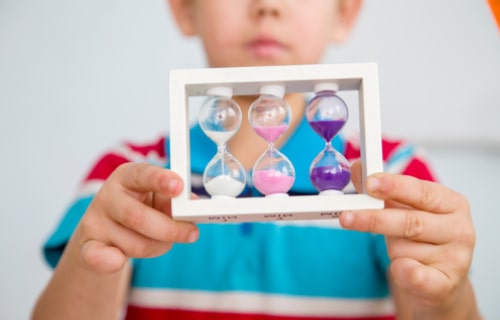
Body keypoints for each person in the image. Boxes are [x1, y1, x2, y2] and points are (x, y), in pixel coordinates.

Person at [32, 1, 482, 319]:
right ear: (185, 8)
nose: (267, 5)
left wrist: (448, 299)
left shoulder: (392, 171)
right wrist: (93, 261)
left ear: (343, 13)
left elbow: (431, 302)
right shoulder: (130, 175)